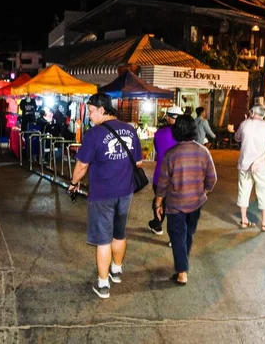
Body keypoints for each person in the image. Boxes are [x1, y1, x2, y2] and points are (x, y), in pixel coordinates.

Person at [67, 93, 142, 299]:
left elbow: (82, 165)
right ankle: (116, 271)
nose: (89, 116)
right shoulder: (129, 129)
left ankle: (103, 284)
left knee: (103, 240)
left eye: (90, 111)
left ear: (102, 110)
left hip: (101, 195)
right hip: (125, 192)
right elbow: (138, 162)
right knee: (119, 233)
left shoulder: (94, 134)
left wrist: (74, 184)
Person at [155, 115, 217, 285]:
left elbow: (162, 183)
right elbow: (212, 178)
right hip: (196, 203)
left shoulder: (171, 154)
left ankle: (182, 272)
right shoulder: (203, 151)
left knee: (177, 236)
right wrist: (202, 191)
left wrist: (158, 203)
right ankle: (183, 262)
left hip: (175, 204)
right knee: (188, 234)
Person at [234, 104, 265, 232]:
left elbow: (237, 138)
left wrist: (246, 120)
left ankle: (244, 221)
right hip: (261, 166)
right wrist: (258, 161)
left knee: (244, 191)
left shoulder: (244, 124)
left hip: (244, 165)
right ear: (263, 114)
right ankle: (264, 223)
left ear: (252, 112)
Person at [148, 106, 184, 236]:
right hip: (180, 177)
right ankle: (174, 236)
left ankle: (157, 224)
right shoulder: (184, 135)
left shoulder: (159, 133)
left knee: (159, 200)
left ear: (168, 117)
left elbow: (158, 149)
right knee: (175, 206)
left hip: (161, 174)